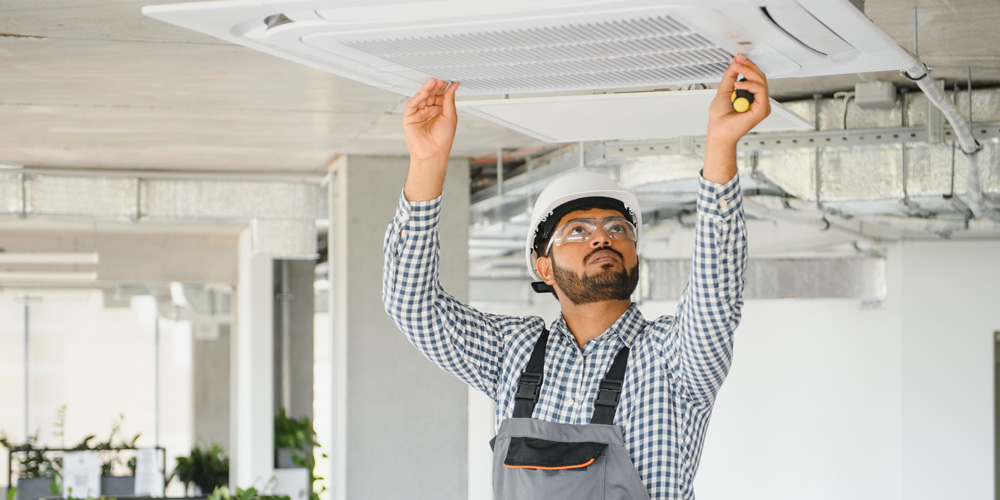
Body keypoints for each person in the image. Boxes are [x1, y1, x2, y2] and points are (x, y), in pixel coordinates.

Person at [383, 54, 770, 500]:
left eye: (617, 229)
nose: (602, 238)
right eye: (578, 231)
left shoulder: (673, 359)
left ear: (634, 255)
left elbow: (715, 293)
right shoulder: (513, 354)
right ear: (544, 268)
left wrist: (720, 147)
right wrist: (426, 162)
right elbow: (410, 304)